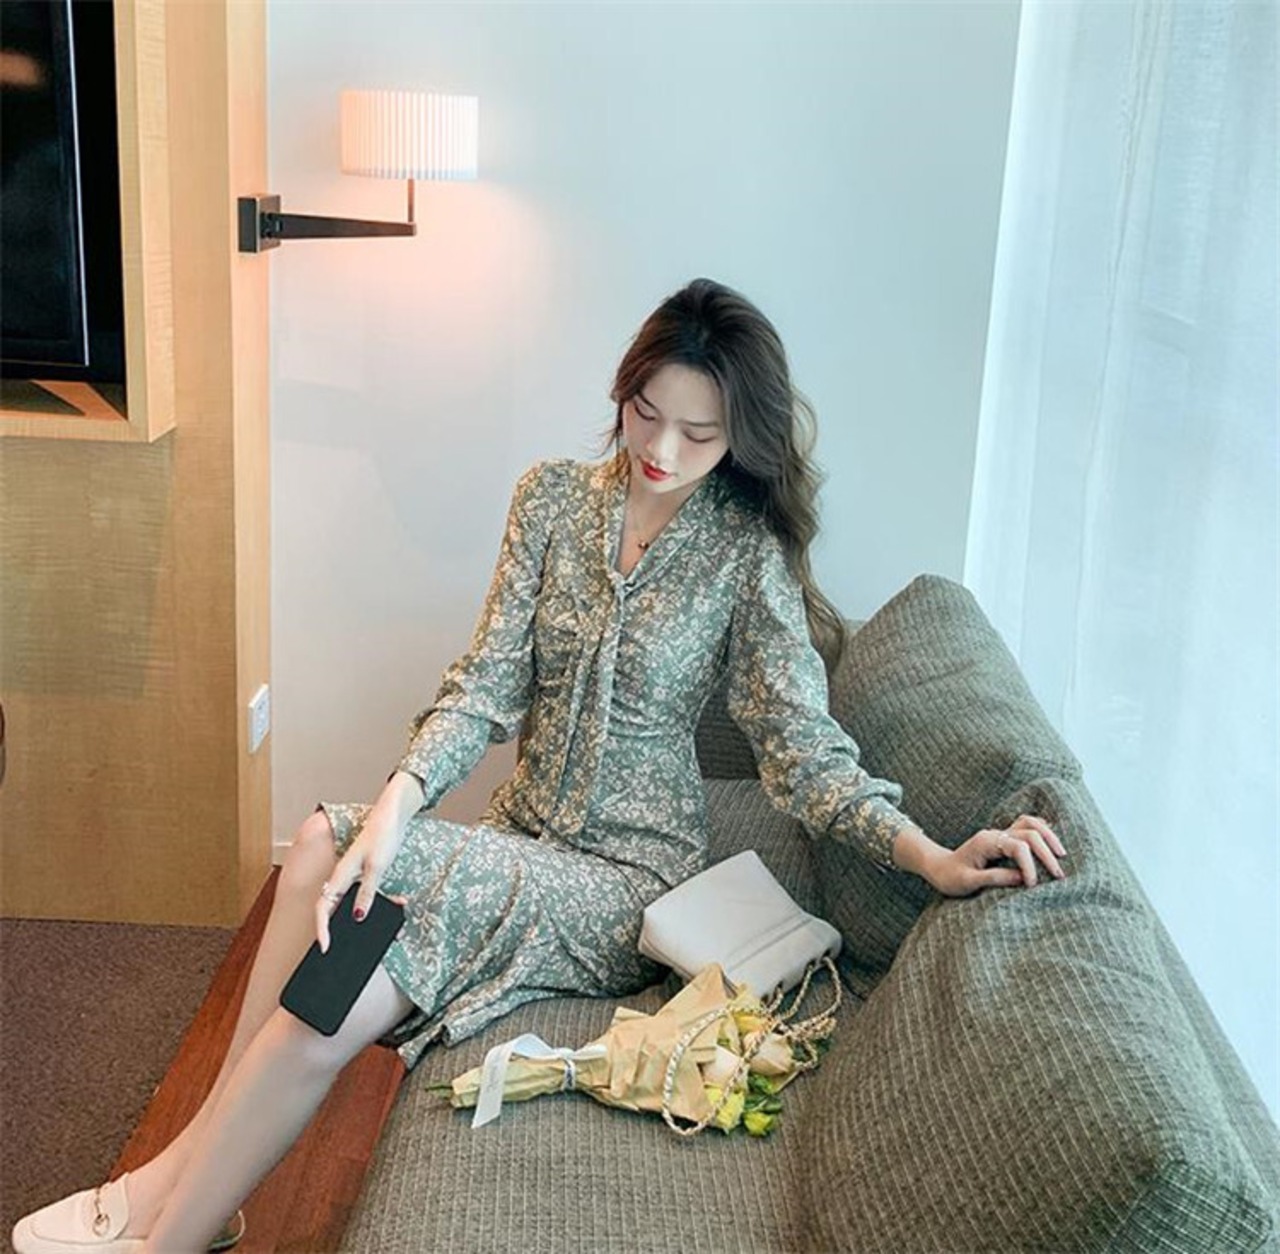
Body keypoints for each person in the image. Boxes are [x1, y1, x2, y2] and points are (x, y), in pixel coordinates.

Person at [13, 278, 1067, 1254]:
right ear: (623, 393)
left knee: (347, 896)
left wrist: (927, 854)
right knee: (330, 864)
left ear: (738, 436)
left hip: (623, 883)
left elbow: (801, 750)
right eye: (645, 413)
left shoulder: (743, 556)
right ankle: (191, 1194)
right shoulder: (552, 501)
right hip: (517, 838)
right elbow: (484, 685)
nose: (662, 448)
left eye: (699, 433)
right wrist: (398, 802)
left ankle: (160, 1218)